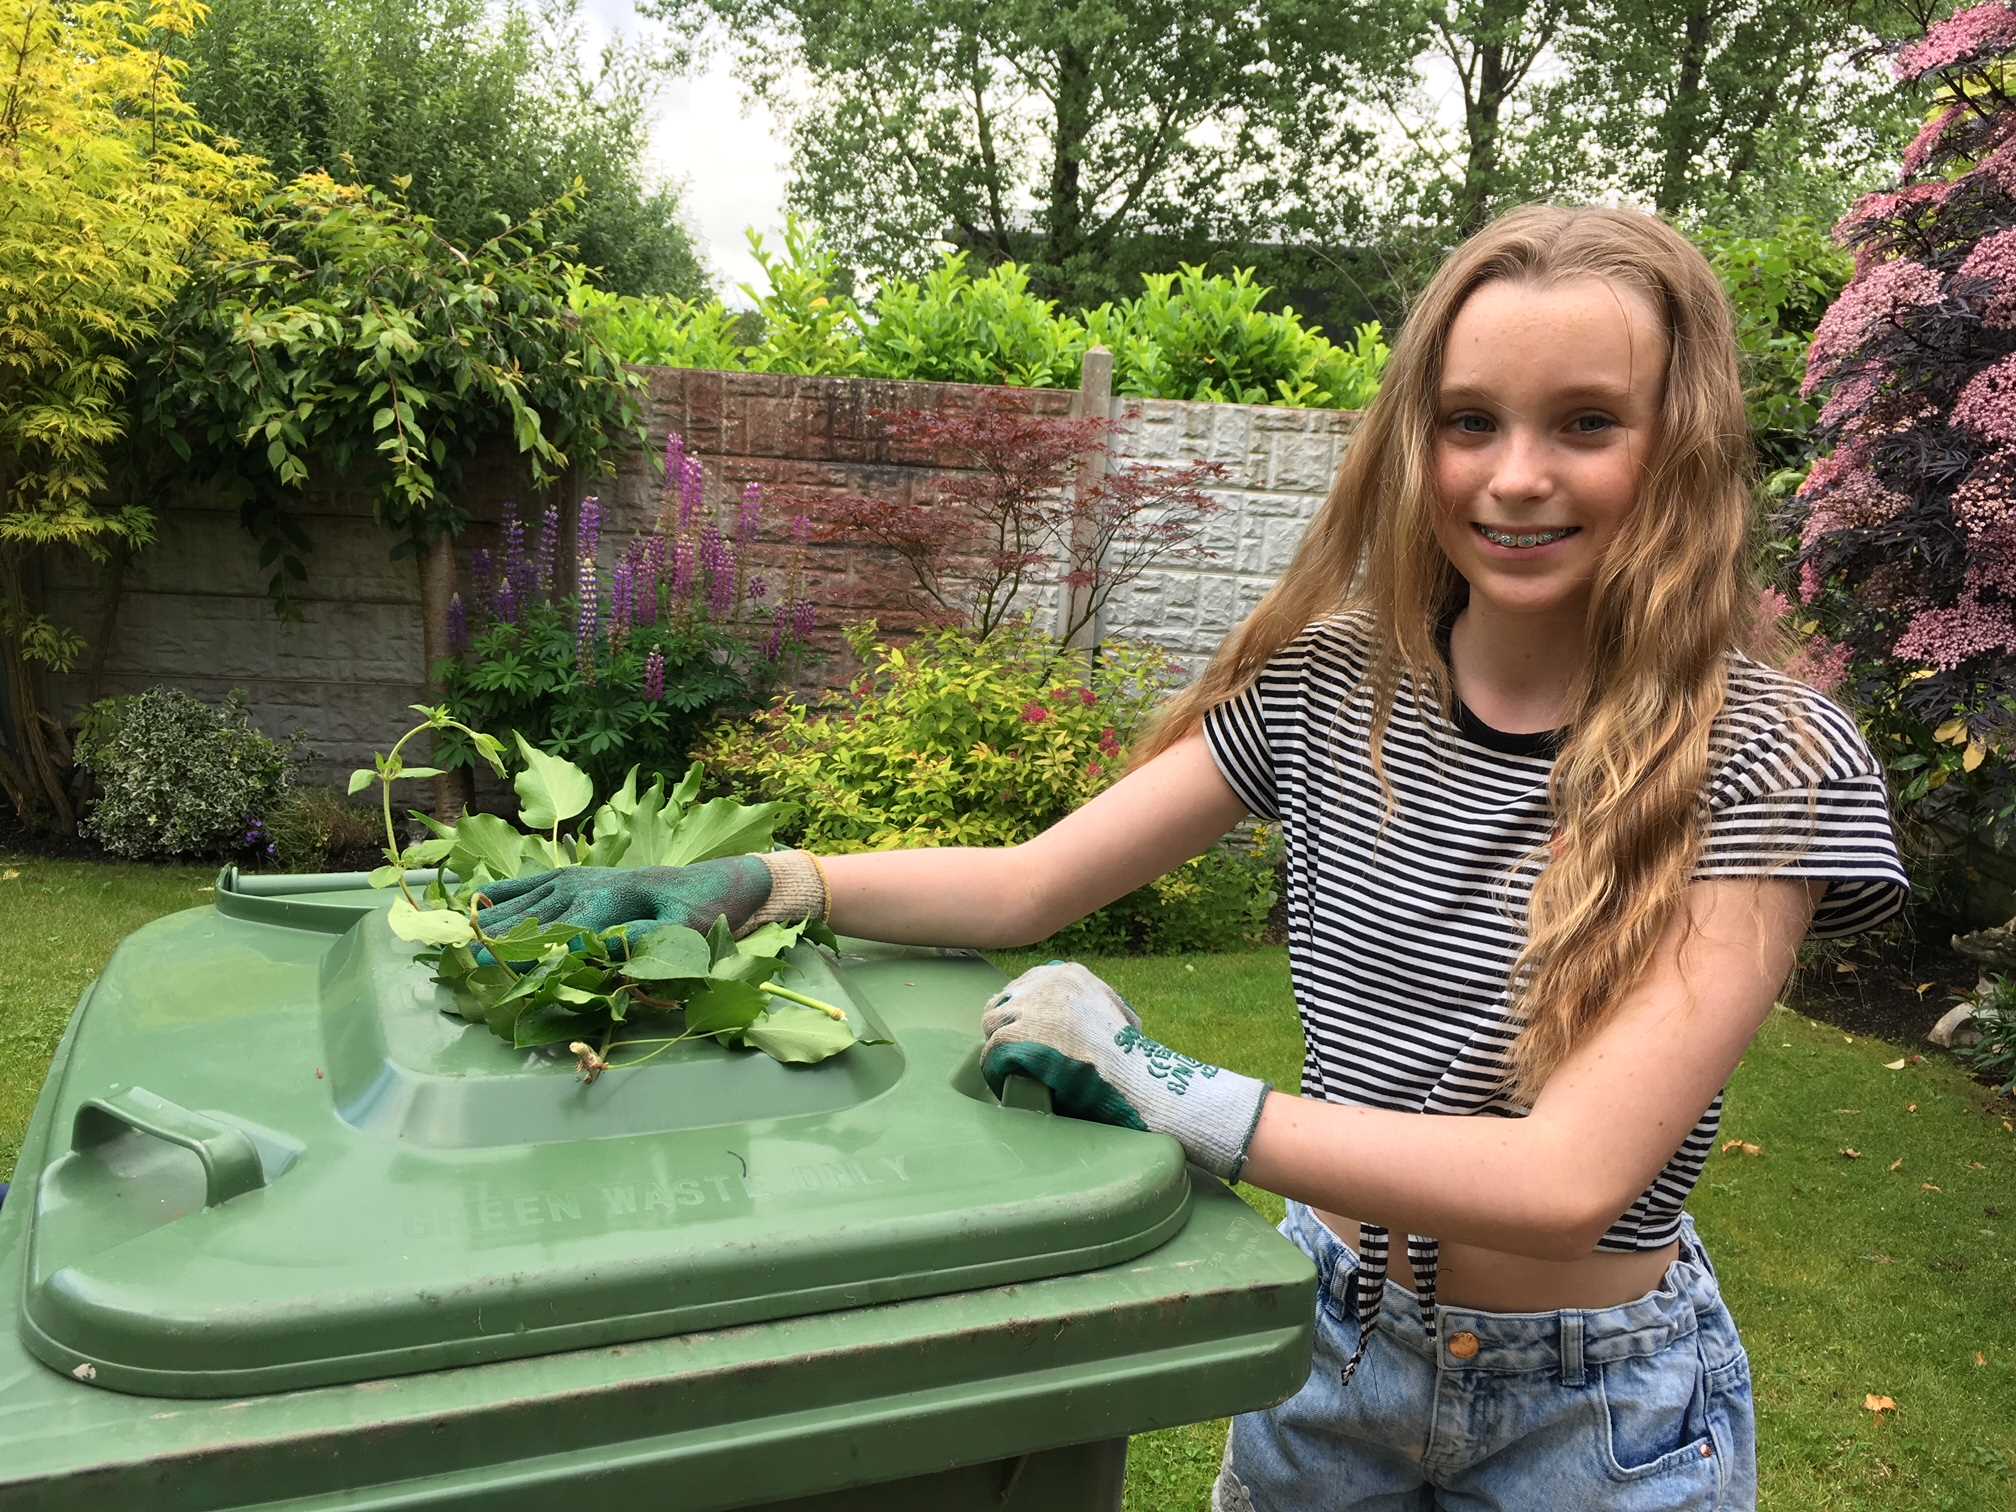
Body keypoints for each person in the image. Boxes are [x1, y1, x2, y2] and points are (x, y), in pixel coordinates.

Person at [473, 204, 1907, 1510]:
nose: (1515, 477)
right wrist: (766, 883)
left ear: (1683, 442)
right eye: (1471, 421)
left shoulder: (1771, 761)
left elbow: (1566, 1179)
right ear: (1418, 440)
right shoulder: (1330, 691)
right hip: (1326, 1350)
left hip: (1594, 1415)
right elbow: (1034, 882)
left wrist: (1160, 1085)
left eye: (1586, 424)